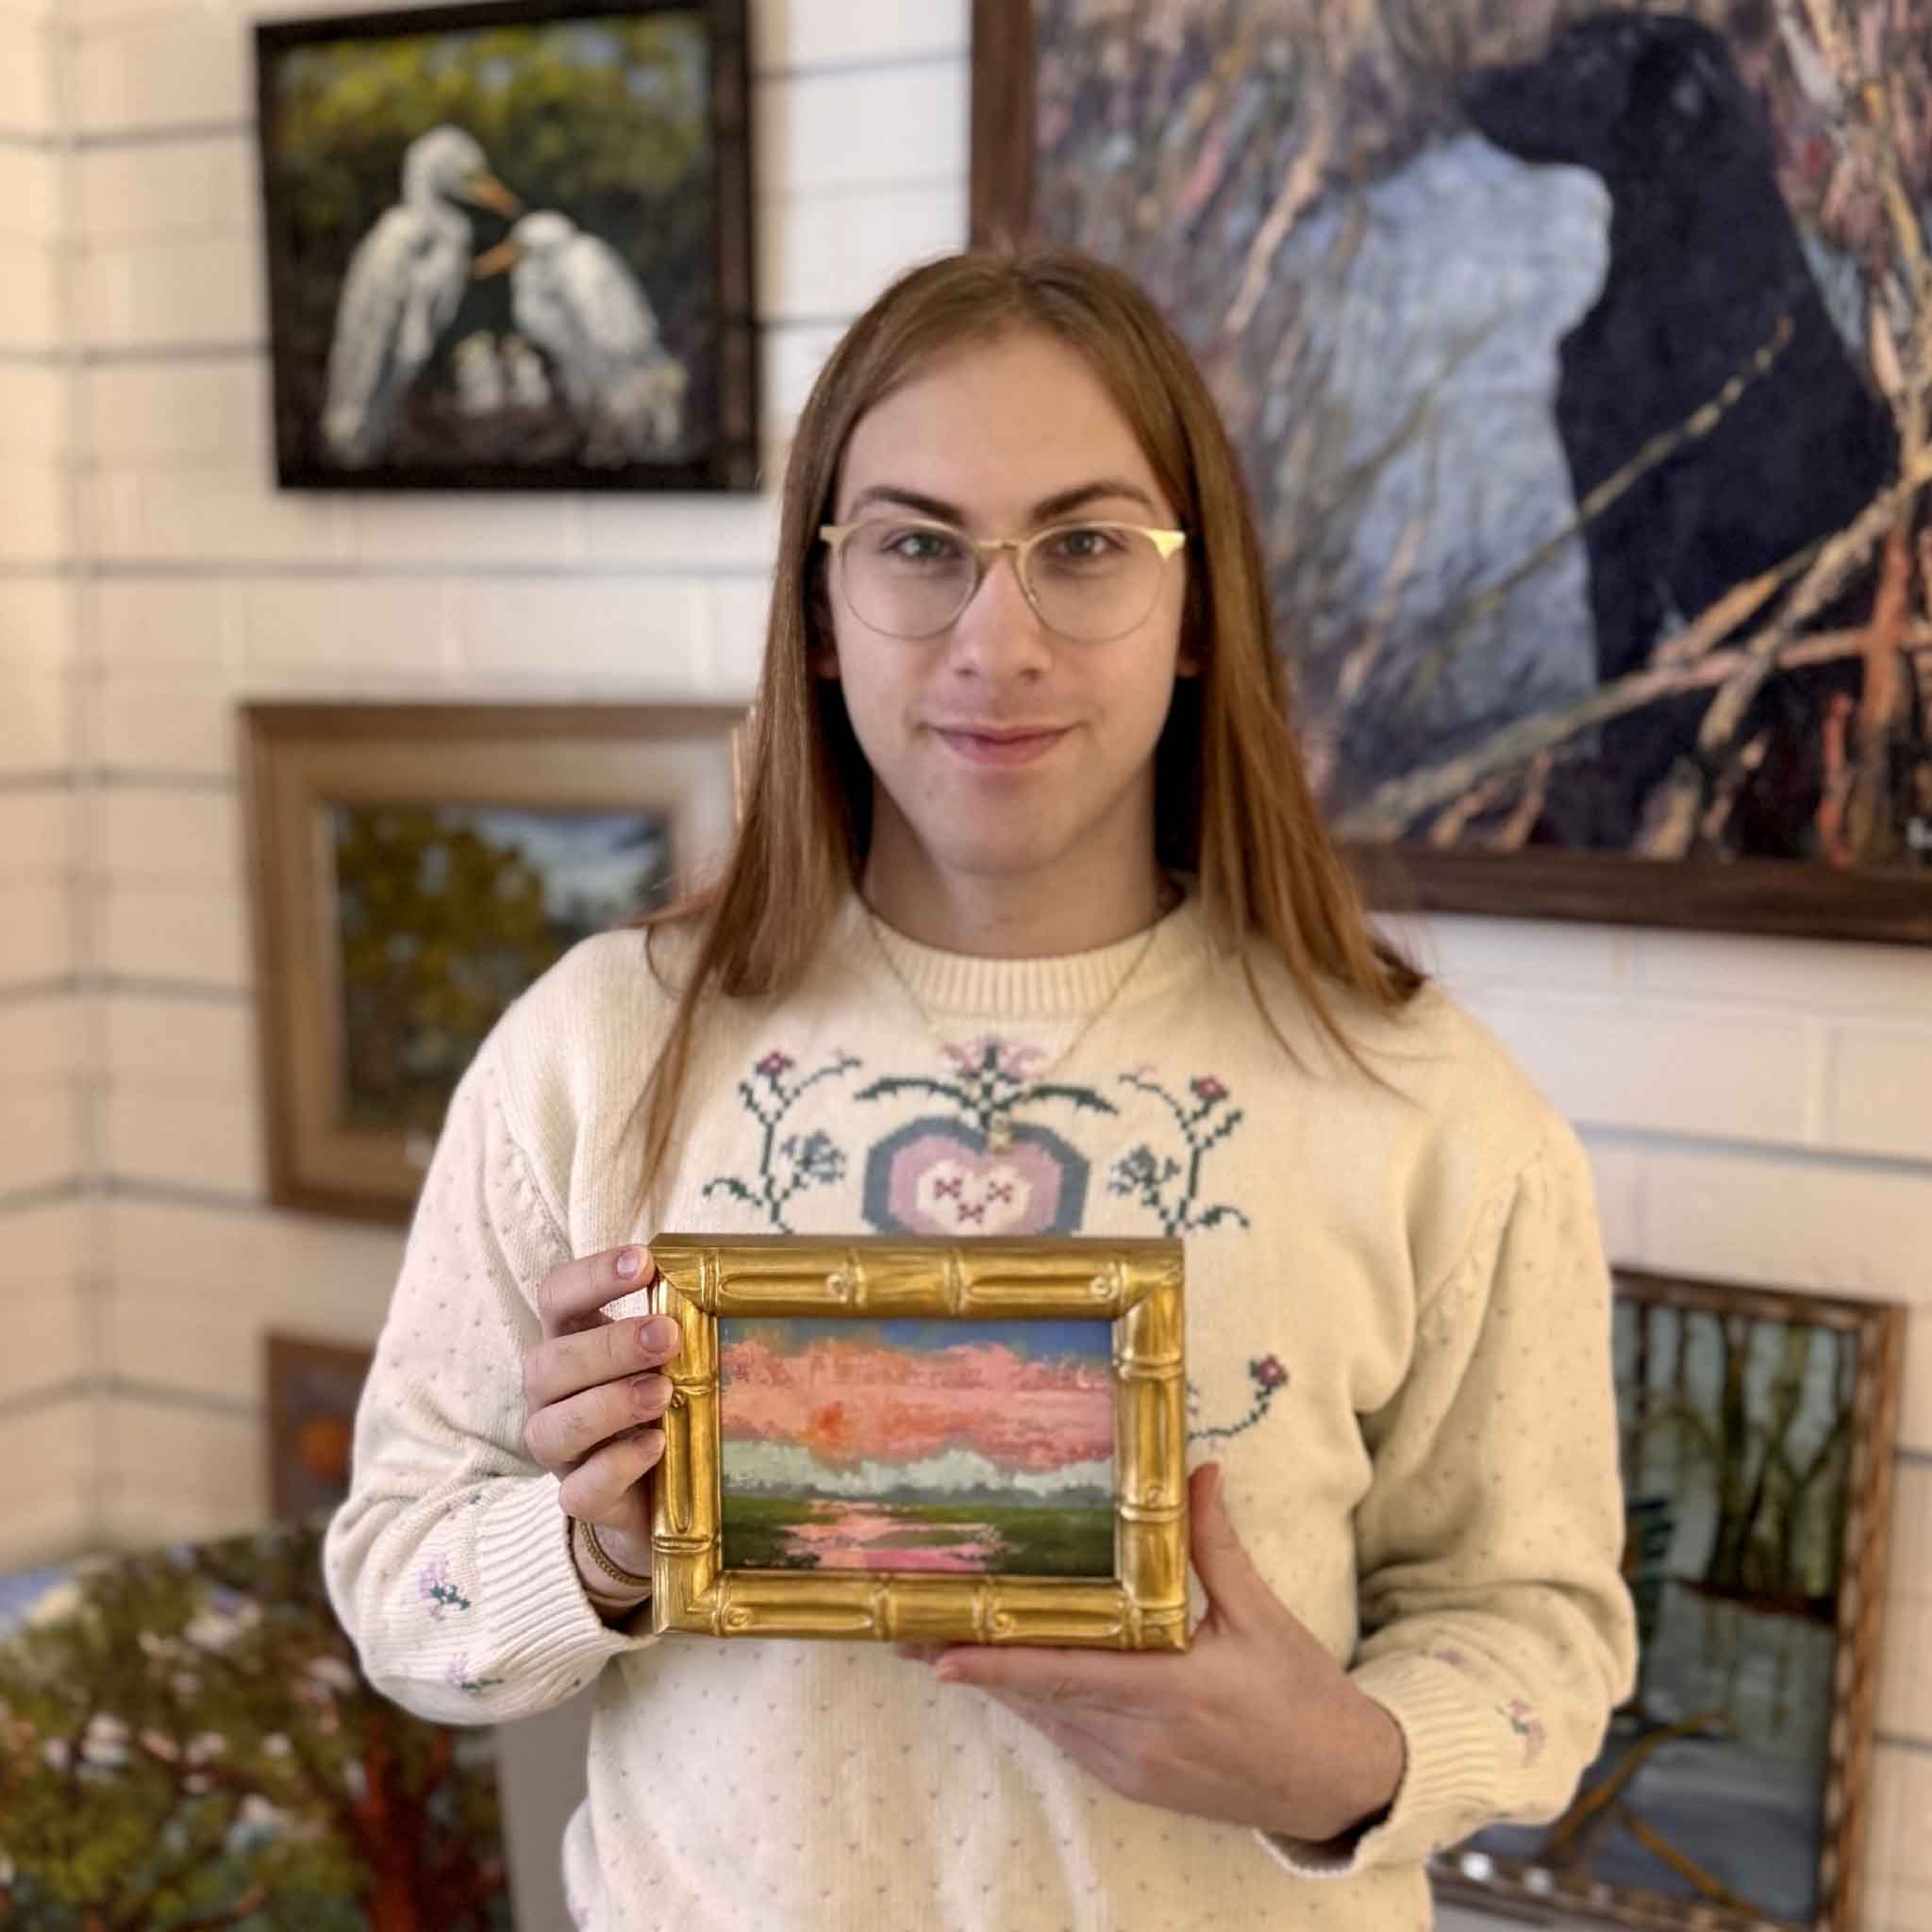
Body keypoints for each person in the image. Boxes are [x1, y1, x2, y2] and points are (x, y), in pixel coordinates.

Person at [323, 246, 1637, 1931]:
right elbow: (392, 1587)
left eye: (1084, 547)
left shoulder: (1429, 1104)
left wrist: (1346, 1760)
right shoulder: (597, 1051)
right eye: (920, 548)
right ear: (817, 607)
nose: (994, 640)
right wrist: (593, 1552)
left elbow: (1541, 1625)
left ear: (1193, 610)